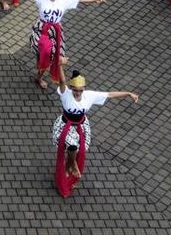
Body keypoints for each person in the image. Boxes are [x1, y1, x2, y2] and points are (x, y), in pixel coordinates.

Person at [52, 66, 138, 198]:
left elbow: (109, 95)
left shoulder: (89, 96)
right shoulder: (66, 94)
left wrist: (128, 93)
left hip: (81, 126)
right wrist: (60, 65)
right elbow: (62, 81)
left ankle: (70, 165)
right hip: (65, 125)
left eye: (80, 91)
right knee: (72, 146)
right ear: (72, 89)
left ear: (84, 89)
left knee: (81, 150)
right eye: (75, 90)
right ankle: (73, 165)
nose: (77, 93)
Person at [22, 0, 105, 90]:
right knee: (41, 55)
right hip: (42, 30)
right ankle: (40, 73)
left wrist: (95, 0)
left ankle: (39, 77)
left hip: (55, 31)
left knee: (50, 56)